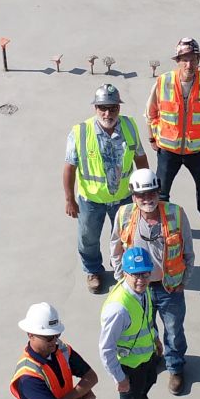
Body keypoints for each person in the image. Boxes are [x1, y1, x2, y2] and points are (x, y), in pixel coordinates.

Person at [110, 167, 195, 394]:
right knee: (147, 327)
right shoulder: (124, 215)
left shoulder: (176, 214)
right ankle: (155, 356)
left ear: (158, 192)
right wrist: (122, 280)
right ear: (133, 196)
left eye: (151, 193)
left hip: (170, 287)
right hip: (139, 289)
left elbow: (188, 250)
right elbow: (116, 249)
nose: (147, 199)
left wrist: (183, 280)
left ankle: (175, 367)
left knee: (174, 330)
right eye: (141, 195)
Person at [63, 82, 149, 293]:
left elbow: (140, 158)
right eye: (103, 107)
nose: (108, 112)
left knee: (125, 236)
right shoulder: (80, 132)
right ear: (95, 108)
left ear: (119, 108)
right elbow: (69, 168)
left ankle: (123, 269)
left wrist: (144, 190)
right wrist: (69, 199)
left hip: (124, 198)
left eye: (113, 107)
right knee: (88, 238)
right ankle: (93, 270)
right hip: (91, 200)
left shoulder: (129, 126)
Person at [145, 37, 200, 240]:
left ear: (198, 60)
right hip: (168, 149)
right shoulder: (163, 81)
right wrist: (152, 138)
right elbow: (151, 112)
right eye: (184, 60)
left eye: (193, 59)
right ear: (178, 61)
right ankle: (159, 223)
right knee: (161, 190)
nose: (189, 64)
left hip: (198, 150)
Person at [98, 245, 163, 399]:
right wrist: (119, 378)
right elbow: (106, 348)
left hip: (145, 357)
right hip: (128, 365)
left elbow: (146, 319)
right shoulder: (118, 309)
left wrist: (155, 339)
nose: (140, 280)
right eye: (134, 275)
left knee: (147, 384)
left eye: (144, 274)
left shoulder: (143, 292)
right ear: (125, 273)